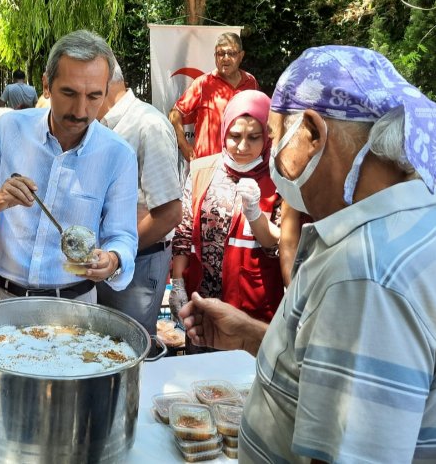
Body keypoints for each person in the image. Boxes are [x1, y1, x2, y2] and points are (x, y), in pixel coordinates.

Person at [179, 46, 436, 463]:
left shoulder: (364, 278)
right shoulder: (410, 223)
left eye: (276, 137)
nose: (273, 157)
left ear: (313, 133)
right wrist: (252, 335)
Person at [0, 29, 138, 303]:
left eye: (93, 96)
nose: (80, 110)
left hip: (73, 307)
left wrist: (112, 260)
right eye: (69, 92)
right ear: (46, 85)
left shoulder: (118, 155)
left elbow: (122, 235)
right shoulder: (9, 129)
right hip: (2, 299)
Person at [172, 90, 283, 326]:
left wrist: (254, 213)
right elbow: (183, 232)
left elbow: (279, 245)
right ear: (224, 132)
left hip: (251, 304)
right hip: (202, 300)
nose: (243, 146)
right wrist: (178, 283)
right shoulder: (202, 169)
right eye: (235, 136)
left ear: (267, 136)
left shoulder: (279, 179)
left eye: (254, 137)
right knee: (201, 361)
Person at [94, 59, 182, 334]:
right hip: (104, 260)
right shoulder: (102, 125)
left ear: (101, 84)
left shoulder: (148, 125)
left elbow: (169, 214)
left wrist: (118, 256)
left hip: (139, 262)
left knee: (127, 348)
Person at [171, 32, 258, 162]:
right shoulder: (203, 83)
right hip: (208, 166)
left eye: (231, 53)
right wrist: (184, 145)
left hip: (241, 165)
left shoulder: (251, 82)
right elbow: (174, 113)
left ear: (241, 56)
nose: (225, 58)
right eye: (220, 53)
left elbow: (259, 121)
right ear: (215, 56)